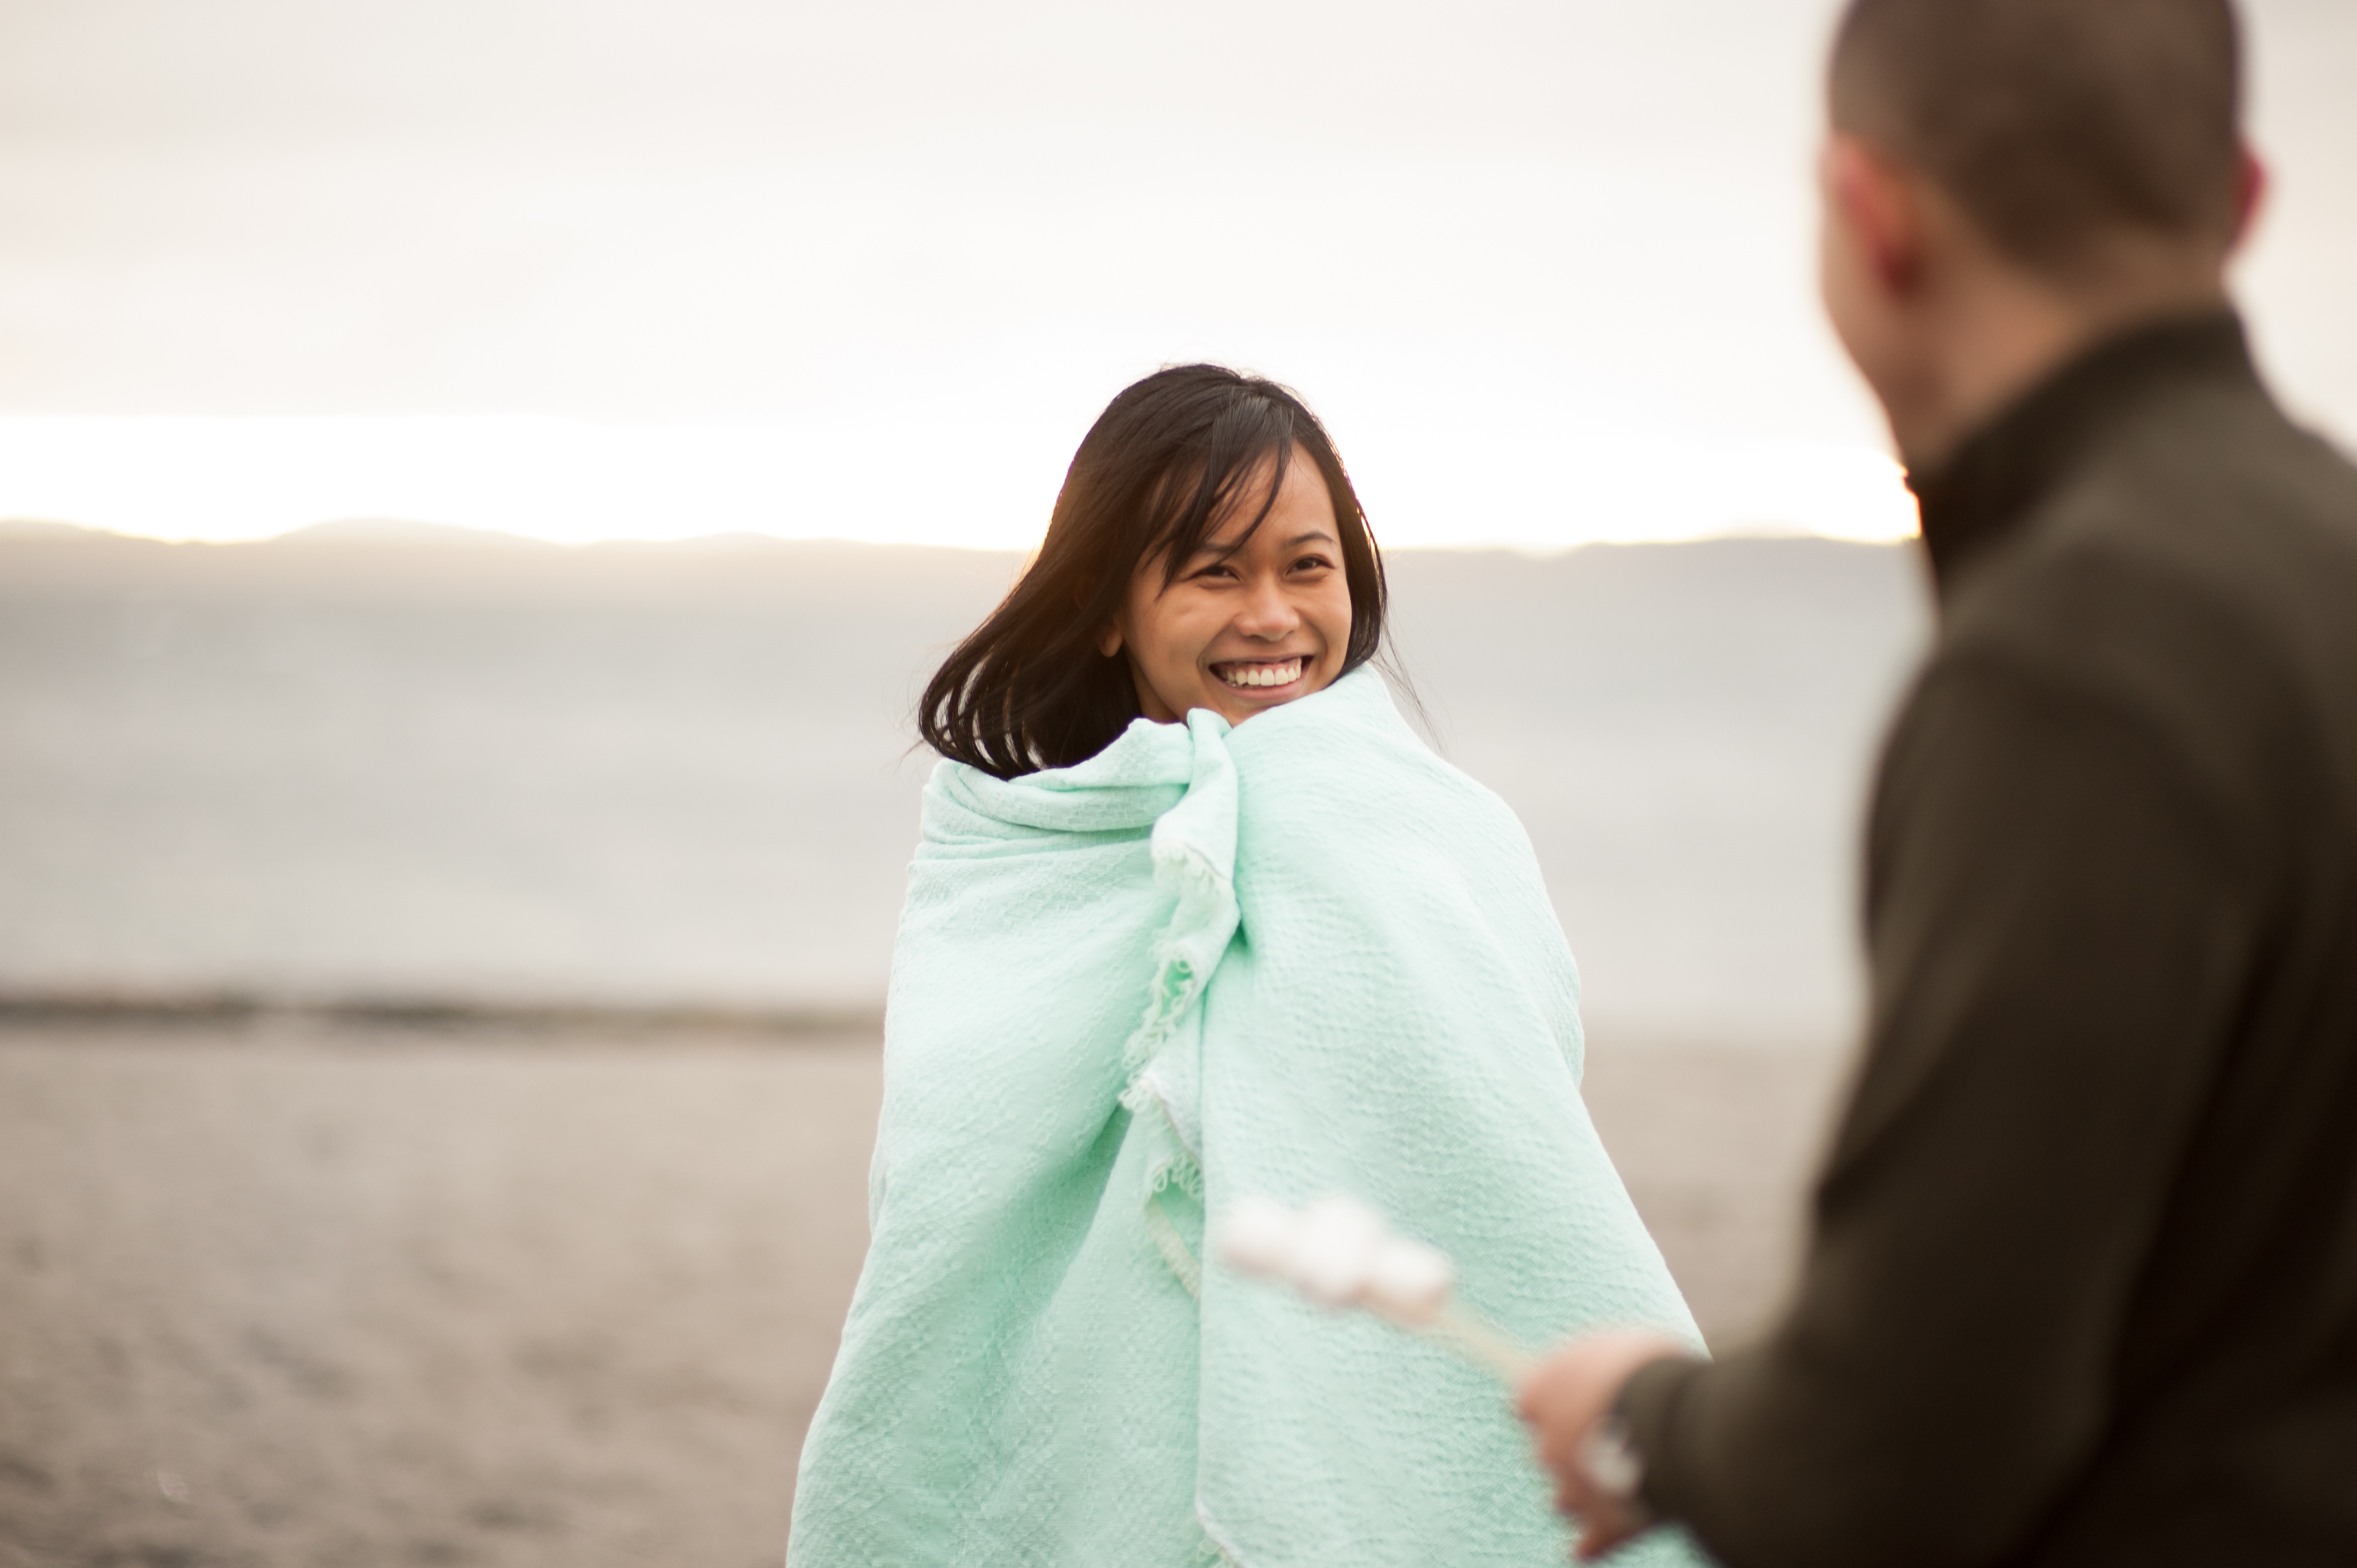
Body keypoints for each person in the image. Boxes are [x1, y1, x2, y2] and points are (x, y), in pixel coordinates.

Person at [1519, 0, 2357, 1563]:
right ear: (2242, 202)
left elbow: (1890, 1459)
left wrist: (1652, 1420)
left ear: (1872, 218)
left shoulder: (2077, 661)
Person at [787, 365, 1708, 1567]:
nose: (1272, 615)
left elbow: (1507, 1147)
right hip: (1086, 1429)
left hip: (1368, 1396)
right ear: (1109, 605)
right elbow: (951, 1193)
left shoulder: (1437, 833)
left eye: (1307, 566)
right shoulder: (1017, 849)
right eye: (1214, 570)